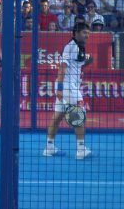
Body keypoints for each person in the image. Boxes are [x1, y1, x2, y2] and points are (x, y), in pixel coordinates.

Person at [43, 22, 94, 160]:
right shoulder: (70, 47)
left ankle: (49, 147)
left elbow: (78, 64)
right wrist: (60, 88)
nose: (87, 36)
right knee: (79, 116)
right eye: (85, 33)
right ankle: (81, 149)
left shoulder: (79, 48)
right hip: (68, 87)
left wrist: (88, 61)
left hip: (69, 86)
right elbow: (62, 68)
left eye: (88, 33)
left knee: (58, 116)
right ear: (76, 33)